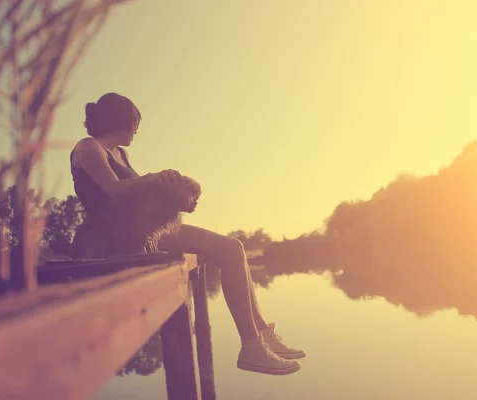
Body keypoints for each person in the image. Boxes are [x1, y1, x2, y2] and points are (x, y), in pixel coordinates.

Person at [69, 92, 305, 375]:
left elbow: (137, 197)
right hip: (111, 238)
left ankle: (261, 334)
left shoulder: (121, 154)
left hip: (143, 230)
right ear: (120, 119)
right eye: (135, 121)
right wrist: (154, 178)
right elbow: (114, 190)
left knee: (233, 248)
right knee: (231, 250)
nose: (137, 128)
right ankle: (252, 347)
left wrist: (173, 191)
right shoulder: (88, 148)